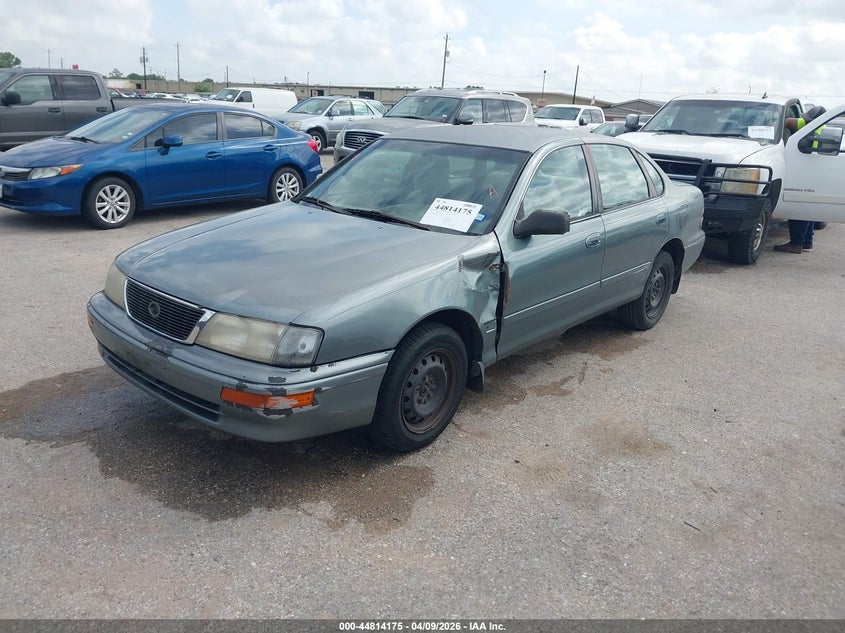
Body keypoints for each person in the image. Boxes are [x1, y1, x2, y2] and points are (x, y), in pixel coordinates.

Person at [774, 105, 827, 254]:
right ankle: (807, 242)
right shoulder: (817, 125)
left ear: (816, 120)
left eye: (808, 119)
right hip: (816, 174)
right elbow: (789, 121)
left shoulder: (816, 130)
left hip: (807, 172)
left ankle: (796, 243)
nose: (805, 121)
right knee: (808, 207)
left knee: (797, 206)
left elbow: (788, 122)